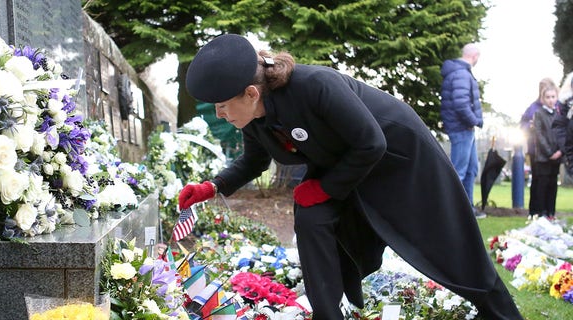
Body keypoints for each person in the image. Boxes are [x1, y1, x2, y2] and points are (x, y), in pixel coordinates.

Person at [177, 34, 523, 319]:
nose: (220, 115)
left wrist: (326, 188)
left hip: (401, 162)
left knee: (448, 243)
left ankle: (500, 313)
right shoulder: (253, 116)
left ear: (251, 93)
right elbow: (254, 161)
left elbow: (372, 143)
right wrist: (213, 186)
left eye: (222, 106)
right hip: (346, 166)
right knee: (311, 218)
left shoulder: (317, 85)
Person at [439, 43, 485, 218]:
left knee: (471, 169)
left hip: (465, 129)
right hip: (462, 129)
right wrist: (474, 121)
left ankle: (467, 211)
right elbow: (461, 104)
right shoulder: (461, 74)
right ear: (474, 56)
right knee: (459, 171)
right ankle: (449, 213)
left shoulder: (460, 73)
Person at [529, 84, 562, 219]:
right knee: (542, 186)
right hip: (543, 158)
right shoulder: (539, 114)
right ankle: (541, 212)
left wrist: (560, 151)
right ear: (542, 99)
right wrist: (550, 153)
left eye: (553, 97)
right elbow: (539, 135)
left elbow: (562, 134)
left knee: (552, 186)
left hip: (557, 156)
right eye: (547, 97)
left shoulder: (559, 115)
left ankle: (551, 213)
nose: (550, 100)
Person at [520, 78, 560, 188]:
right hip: (536, 150)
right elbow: (523, 124)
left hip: (554, 151)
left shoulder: (557, 108)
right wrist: (531, 125)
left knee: (551, 183)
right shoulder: (533, 108)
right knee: (538, 182)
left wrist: (559, 150)